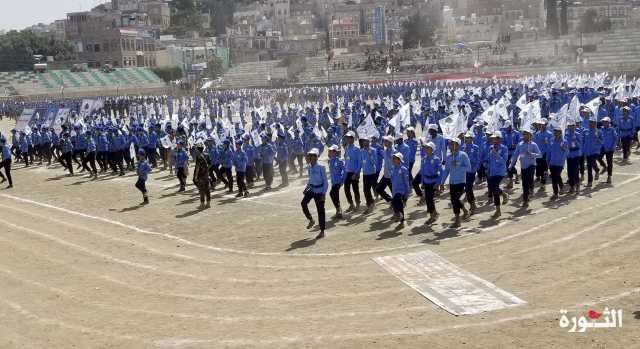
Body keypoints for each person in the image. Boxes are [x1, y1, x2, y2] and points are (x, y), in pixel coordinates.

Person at [441, 138, 470, 227]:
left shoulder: (463, 155)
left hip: (461, 182)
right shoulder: (449, 157)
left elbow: (469, 168)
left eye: (454, 144)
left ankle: (457, 220)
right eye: (450, 144)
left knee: (455, 200)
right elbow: (446, 171)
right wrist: (442, 183)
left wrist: (459, 166)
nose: (451, 146)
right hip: (452, 183)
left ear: (458, 145)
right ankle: (465, 210)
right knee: (454, 201)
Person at [510, 130, 541, 207]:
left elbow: (540, 155)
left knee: (529, 179)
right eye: (524, 134)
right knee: (524, 183)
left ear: (530, 135)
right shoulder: (519, 145)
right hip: (523, 166)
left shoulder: (534, 145)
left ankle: (530, 191)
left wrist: (532, 154)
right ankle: (525, 200)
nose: (525, 136)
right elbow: (515, 155)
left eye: (526, 134)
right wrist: (511, 164)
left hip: (531, 165)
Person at [301, 148, 328, 240]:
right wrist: (306, 188)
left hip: (319, 191)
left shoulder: (321, 167)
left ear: (316, 157)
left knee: (321, 211)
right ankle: (311, 220)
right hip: (312, 189)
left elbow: (325, 181)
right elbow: (310, 179)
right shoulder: (309, 167)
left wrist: (324, 194)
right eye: (309, 155)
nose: (309, 157)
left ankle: (322, 231)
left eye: (312, 155)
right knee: (303, 203)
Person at [486, 131, 509, 217]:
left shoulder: (504, 148)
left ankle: (504, 195)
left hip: (500, 172)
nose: (493, 140)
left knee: (494, 187)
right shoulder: (490, 147)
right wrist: (486, 166)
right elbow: (489, 159)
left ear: (499, 139)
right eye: (493, 139)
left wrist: (496, 154)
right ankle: (498, 209)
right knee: (493, 190)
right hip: (491, 172)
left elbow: (504, 161)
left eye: (495, 138)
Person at [420, 142, 442, 223]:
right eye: (426, 148)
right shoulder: (424, 159)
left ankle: (432, 216)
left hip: (433, 182)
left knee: (429, 199)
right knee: (428, 199)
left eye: (428, 148)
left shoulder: (436, 159)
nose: (426, 149)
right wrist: (422, 182)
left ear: (432, 149)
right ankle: (434, 213)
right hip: (426, 181)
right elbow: (422, 172)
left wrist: (438, 183)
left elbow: (441, 172)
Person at [547, 126, 568, 200]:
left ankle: (556, 193)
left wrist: (563, 148)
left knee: (556, 176)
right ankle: (559, 189)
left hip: (560, 163)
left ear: (560, 133)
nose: (555, 133)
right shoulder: (551, 140)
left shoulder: (564, 141)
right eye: (554, 131)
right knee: (554, 178)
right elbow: (549, 151)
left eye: (557, 131)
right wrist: (548, 161)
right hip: (552, 162)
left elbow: (567, 152)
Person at [462, 131, 480, 213]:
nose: (466, 139)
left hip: (472, 171)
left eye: (468, 137)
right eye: (466, 137)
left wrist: (468, 156)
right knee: (467, 188)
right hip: (464, 171)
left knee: (468, 188)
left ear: (472, 138)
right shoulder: (463, 147)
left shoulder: (476, 147)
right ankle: (472, 203)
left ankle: (472, 204)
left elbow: (476, 160)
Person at [390, 152, 410, 225]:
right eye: (393, 159)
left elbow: (406, 181)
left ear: (399, 160)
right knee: (398, 204)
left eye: (395, 159)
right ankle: (402, 219)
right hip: (395, 190)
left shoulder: (403, 169)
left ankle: (397, 214)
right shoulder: (392, 169)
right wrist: (393, 191)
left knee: (396, 201)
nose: (393, 160)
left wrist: (407, 193)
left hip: (401, 190)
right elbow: (392, 180)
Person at [343, 131, 361, 211]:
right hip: (348, 172)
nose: (348, 139)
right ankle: (351, 204)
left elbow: (359, 163)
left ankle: (357, 203)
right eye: (347, 137)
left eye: (350, 138)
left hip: (354, 172)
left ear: (353, 139)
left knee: (355, 189)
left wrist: (356, 173)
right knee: (346, 189)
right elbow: (346, 160)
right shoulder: (346, 147)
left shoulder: (357, 149)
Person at [360, 136, 378, 213]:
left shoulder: (373, 150)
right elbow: (361, 162)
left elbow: (375, 162)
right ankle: (371, 203)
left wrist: (370, 155)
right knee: (365, 190)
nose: (365, 143)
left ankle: (370, 204)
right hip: (365, 173)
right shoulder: (362, 151)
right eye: (364, 141)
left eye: (366, 141)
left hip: (372, 173)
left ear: (369, 142)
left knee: (371, 189)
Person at [328, 145, 345, 219]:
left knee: (332, 194)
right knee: (334, 195)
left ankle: (338, 210)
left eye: (331, 151)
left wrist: (342, 180)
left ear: (335, 152)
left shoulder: (339, 161)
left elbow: (345, 171)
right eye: (330, 151)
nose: (330, 152)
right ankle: (338, 210)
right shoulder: (330, 161)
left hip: (338, 181)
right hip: (333, 181)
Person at [376, 136, 395, 204]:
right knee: (378, 189)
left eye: (386, 141)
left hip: (391, 176)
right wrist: (378, 148)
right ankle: (390, 200)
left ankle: (397, 205)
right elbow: (382, 153)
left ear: (390, 143)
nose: (384, 142)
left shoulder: (393, 152)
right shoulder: (386, 150)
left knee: (394, 192)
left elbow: (394, 163)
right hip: (386, 175)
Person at [193, 140, 211, 209]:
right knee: (207, 189)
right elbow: (210, 164)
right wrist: (206, 171)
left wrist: (195, 176)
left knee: (201, 190)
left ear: (198, 149)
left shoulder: (198, 156)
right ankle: (208, 203)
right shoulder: (207, 155)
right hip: (206, 174)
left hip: (200, 175)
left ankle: (202, 204)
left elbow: (197, 167)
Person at [600, 117, 618, 184]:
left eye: (605, 122)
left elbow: (616, 139)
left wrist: (613, 147)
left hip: (610, 149)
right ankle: (604, 167)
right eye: (603, 121)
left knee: (609, 162)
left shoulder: (612, 129)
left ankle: (609, 176)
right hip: (602, 147)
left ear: (608, 122)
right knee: (598, 158)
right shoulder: (601, 129)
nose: (604, 123)